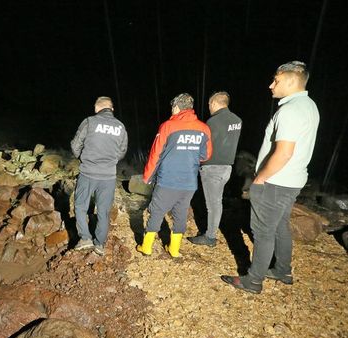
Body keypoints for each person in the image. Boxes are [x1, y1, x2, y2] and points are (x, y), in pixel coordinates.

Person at [222, 61, 320, 294]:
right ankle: (282, 270)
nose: (271, 85)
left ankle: (253, 280)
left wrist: (260, 178)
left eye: (276, 80)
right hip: (292, 180)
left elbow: (284, 152)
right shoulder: (309, 106)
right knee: (280, 226)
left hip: (276, 181)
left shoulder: (290, 111)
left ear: (291, 80)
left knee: (263, 230)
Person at [137, 93, 212, 257]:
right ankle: (174, 249)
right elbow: (206, 155)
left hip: (168, 180)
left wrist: (147, 176)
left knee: (156, 211)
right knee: (181, 213)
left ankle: (147, 247)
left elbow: (155, 154)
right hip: (189, 182)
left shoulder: (167, 126)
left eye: (172, 107)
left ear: (177, 107)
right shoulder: (204, 128)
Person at [71, 96, 128, 256]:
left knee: (81, 206)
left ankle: (85, 238)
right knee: (103, 211)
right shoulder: (120, 127)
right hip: (108, 176)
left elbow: (75, 145)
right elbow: (122, 151)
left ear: (97, 108)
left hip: (88, 173)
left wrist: (83, 158)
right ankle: (100, 244)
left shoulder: (89, 122)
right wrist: (110, 161)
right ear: (112, 109)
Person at [188, 91, 242, 247]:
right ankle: (210, 232)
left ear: (214, 103)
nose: (209, 107)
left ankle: (210, 237)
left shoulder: (213, 122)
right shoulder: (237, 120)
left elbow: (205, 146)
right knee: (216, 202)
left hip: (213, 168)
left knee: (213, 204)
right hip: (227, 168)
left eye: (209, 104)